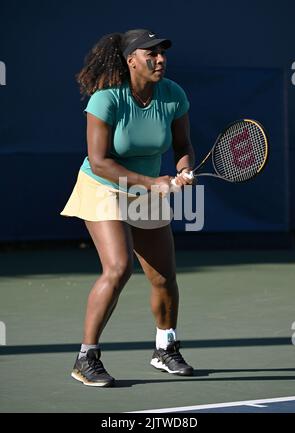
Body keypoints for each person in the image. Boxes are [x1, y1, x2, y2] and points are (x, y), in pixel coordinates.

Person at [61, 28, 195, 387]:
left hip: (146, 191)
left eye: (163, 53)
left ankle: (165, 348)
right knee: (119, 268)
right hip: (104, 186)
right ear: (130, 60)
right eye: (150, 53)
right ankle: (86, 357)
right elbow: (100, 160)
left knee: (163, 275)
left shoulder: (173, 95)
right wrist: (154, 183)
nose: (160, 59)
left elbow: (183, 144)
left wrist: (183, 170)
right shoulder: (106, 99)